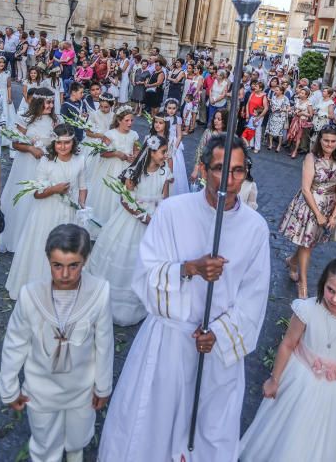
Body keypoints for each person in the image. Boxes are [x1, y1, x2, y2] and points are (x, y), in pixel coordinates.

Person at [98, 134, 270, 462]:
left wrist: (218, 334)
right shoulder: (173, 212)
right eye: (220, 169)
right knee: (153, 428)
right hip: (169, 341)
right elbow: (145, 272)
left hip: (217, 351)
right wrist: (189, 268)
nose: (229, 179)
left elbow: (254, 296)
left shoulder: (256, 229)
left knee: (209, 431)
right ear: (203, 169)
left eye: (238, 170)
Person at [239, 256, 336, 462]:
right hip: (300, 381)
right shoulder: (307, 310)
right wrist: (274, 379)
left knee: (326, 439)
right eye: (330, 290)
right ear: (323, 283)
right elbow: (288, 344)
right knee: (293, 432)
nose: (334, 299)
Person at [0, 224, 114, 462]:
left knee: (78, 435)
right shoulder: (30, 295)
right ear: (48, 260)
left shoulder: (100, 292)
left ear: (85, 260)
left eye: (74, 266)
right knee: (44, 441)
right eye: (57, 265)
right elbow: (15, 342)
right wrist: (9, 387)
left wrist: (102, 386)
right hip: (41, 388)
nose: (64, 275)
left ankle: (74, 453)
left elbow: (104, 343)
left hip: (82, 387)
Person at [88, 134, 172, 326]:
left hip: (153, 222)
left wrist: (158, 217)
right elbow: (125, 199)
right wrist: (144, 217)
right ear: (151, 152)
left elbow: (164, 199)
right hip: (131, 220)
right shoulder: (134, 172)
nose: (166, 156)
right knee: (122, 256)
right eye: (163, 152)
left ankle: (136, 304)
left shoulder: (165, 172)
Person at [5, 125, 88, 299]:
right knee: (43, 248)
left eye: (67, 143)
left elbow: (83, 186)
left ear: (73, 143)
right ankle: (39, 289)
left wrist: (81, 203)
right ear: (53, 143)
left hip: (68, 213)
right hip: (46, 213)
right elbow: (36, 193)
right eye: (58, 143)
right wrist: (54, 189)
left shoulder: (80, 161)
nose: (62, 147)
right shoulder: (46, 162)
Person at [280, 126, 336, 299]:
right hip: (311, 205)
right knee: (307, 245)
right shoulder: (311, 158)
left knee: (308, 244)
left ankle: (292, 262)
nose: (329, 144)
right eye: (326, 140)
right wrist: (317, 213)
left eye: (333, 141)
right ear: (320, 140)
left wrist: (334, 215)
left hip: (329, 205)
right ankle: (303, 282)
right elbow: (305, 189)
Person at [0, 88, 58, 253]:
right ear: (39, 102)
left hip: (47, 164)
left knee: (43, 199)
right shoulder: (25, 118)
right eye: (48, 102)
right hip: (26, 164)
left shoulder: (54, 120)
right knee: (26, 198)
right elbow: (16, 144)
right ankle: (18, 238)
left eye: (52, 102)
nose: (51, 106)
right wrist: (31, 149)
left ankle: (39, 239)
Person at [87, 105, 139, 229]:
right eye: (126, 120)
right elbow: (102, 153)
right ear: (119, 120)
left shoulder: (134, 135)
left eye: (131, 120)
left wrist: (134, 156)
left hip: (127, 168)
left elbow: (137, 149)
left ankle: (120, 225)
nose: (130, 123)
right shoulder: (110, 134)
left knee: (125, 194)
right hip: (111, 168)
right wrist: (116, 153)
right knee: (110, 195)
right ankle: (106, 222)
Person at [190, 108, 228, 182]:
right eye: (215, 118)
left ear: (225, 121)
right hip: (205, 168)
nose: (215, 121)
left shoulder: (228, 136)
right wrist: (196, 168)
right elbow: (200, 149)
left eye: (219, 119)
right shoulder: (208, 132)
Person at [163, 97, 188, 196]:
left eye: (173, 108)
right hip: (163, 142)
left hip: (173, 143)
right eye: (169, 108)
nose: (171, 110)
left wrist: (174, 148)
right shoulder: (163, 118)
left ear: (177, 109)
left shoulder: (178, 119)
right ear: (165, 108)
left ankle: (173, 191)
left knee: (176, 167)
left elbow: (179, 135)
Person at [267, 84, 290, 152]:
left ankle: (279, 145)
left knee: (280, 133)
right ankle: (270, 144)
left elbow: (289, 108)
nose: (275, 91)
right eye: (275, 90)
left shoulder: (285, 98)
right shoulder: (274, 97)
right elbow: (271, 105)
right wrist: (272, 108)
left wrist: (282, 109)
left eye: (277, 90)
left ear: (281, 91)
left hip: (281, 117)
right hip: (273, 115)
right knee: (270, 130)